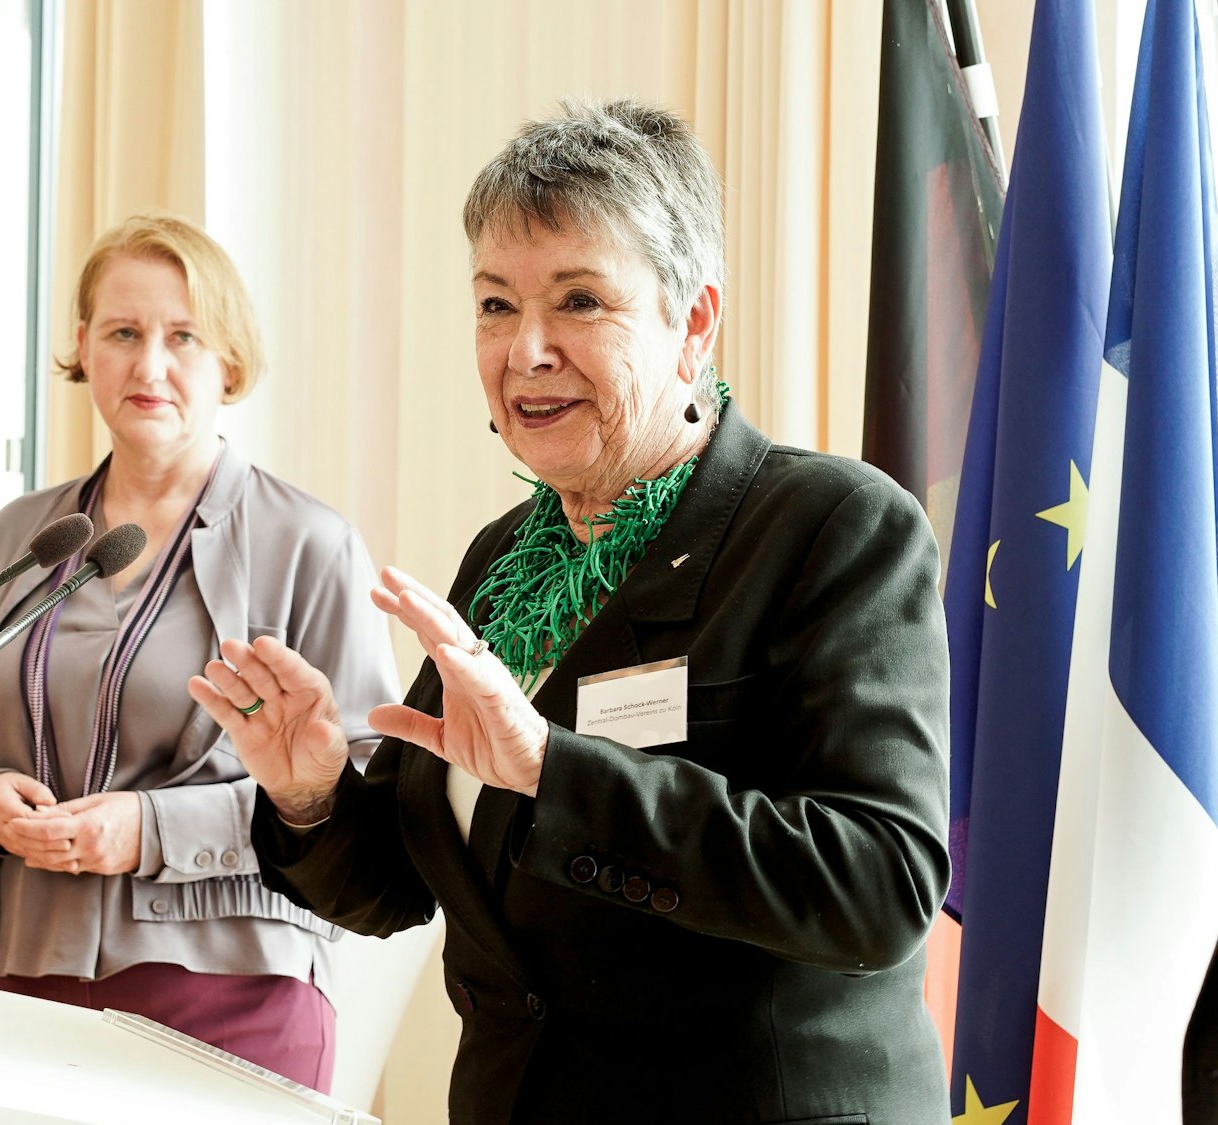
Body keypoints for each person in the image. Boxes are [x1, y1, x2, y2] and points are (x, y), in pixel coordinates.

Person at [188, 100, 951, 1123]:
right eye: (495, 305)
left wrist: (555, 768)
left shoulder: (831, 527)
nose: (527, 349)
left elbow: (880, 888)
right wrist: (311, 791)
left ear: (693, 324)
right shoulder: (504, 559)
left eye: (579, 300)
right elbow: (409, 884)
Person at [0, 213, 400, 1092]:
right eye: (123, 333)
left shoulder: (310, 544)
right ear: (82, 347)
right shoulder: (17, 538)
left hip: (230, 989)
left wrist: (153, 831)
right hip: (9, 972)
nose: (149, 366)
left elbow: (365, 791)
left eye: (183, 337)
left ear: (229, 362)